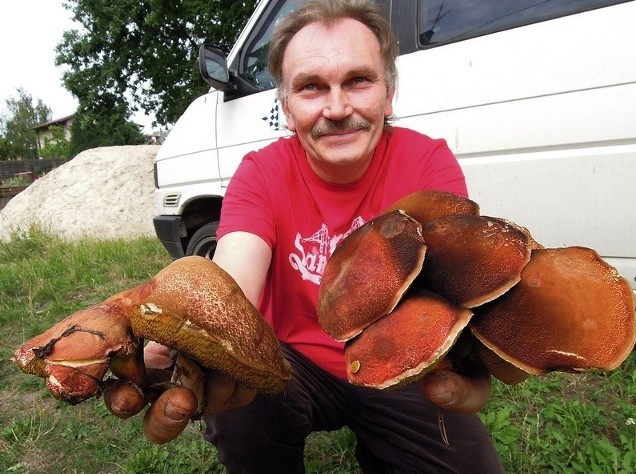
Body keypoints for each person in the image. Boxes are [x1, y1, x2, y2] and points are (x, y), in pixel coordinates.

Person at [110, 0, 527, 471]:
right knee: (242, 405)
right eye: (311, 87)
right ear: (286, 109)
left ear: (389, 94)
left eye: (358, 80)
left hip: (398, 366)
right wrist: (192, 332)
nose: (337, 107)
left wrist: (474, 349)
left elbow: (454, 283)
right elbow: (231, 283)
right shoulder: (261, 173)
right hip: (291, 368)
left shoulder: (428, 164)